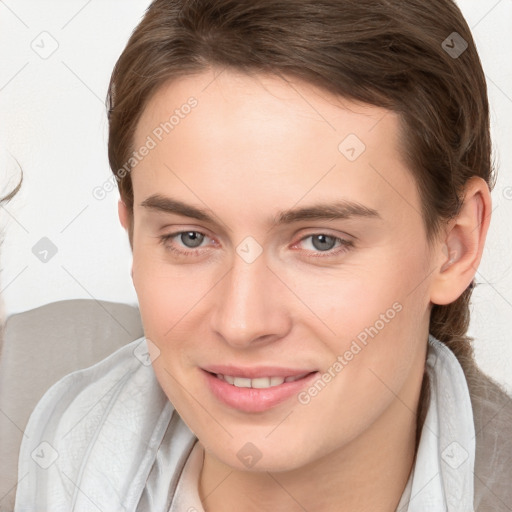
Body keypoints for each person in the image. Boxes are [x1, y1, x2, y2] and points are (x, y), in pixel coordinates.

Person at [14, 0, 512, 510]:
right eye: (190, 237)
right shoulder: (25, 397)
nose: (241, 323)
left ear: (455, 247)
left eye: (322, 241)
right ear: (133, 231)